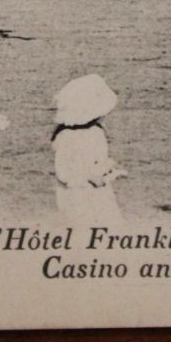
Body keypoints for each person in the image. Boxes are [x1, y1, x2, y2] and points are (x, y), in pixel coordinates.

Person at [52, 74, 124, 227]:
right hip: (92, 196)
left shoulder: (62, 134)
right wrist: (111, 169)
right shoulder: (94, 134)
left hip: (67, 196)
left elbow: (64, 173)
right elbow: (95, 174)